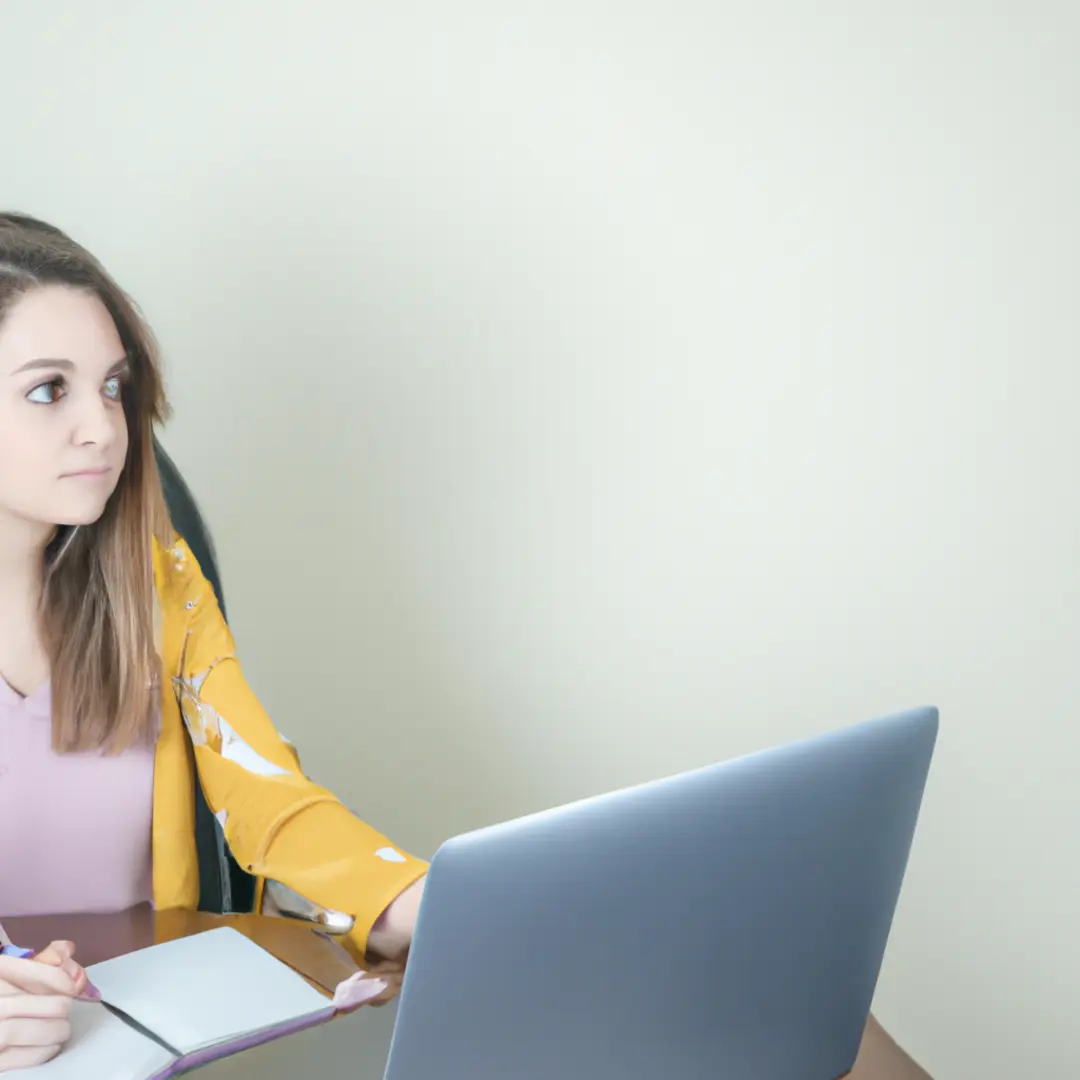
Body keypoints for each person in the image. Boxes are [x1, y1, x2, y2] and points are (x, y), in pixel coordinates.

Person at [0, 213, 931, 1078]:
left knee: (806, 1014)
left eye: (113, 385)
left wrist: (433, 912)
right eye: (50, 390)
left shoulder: (154, 580)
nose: (104, 426)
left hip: (159, 1025)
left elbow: (270, 804)